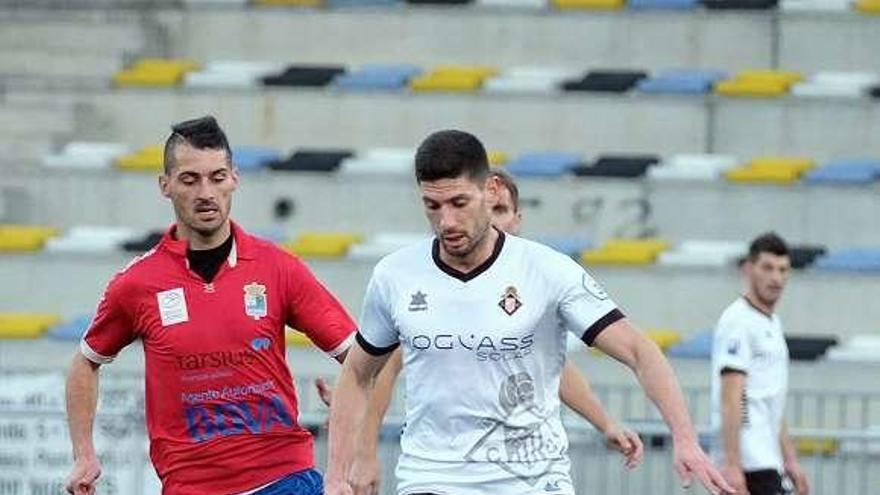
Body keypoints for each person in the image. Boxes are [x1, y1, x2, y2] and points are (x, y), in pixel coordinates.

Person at [325, 129, 734, 495]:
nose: (446, 220)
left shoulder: (548, 270)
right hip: (434, 475)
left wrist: (684, 437)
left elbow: (639, 351)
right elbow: (360, 373)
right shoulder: (395, 275)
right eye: (432, 206)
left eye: (458, 202)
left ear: (492, 190)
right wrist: (337, 473)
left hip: (533, 476)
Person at [64, 116, 357, 495]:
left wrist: (352, 412)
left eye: (217, 177)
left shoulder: (279, 268)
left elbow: (360, 357)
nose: (206, 192)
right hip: (192, 485)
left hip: (284, 478)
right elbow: (85, 362)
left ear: (234, 178)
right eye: (190, 179)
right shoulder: (136, 284)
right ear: (165, 185)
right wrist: (84, 454)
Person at [315, 168, 643, 490]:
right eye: (489, 208)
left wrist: (605, 422)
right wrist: (364, 450)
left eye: (502, 210)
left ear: (517, 218)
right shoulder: (429, 280)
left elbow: (555, 371)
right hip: (441, 472)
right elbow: (381, 369)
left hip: (522, 472)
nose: (495, 219)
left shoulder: (538, 276)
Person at [711, 233, 810, 495]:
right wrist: (733, 466)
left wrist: (789, 459)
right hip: (749, 463)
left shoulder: (772, 323)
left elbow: (770, 399)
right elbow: (732, 396)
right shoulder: (738, 321)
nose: (776, 278)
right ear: (748, 269)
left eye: (783, 270)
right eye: (767, 268)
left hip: (769, 460)